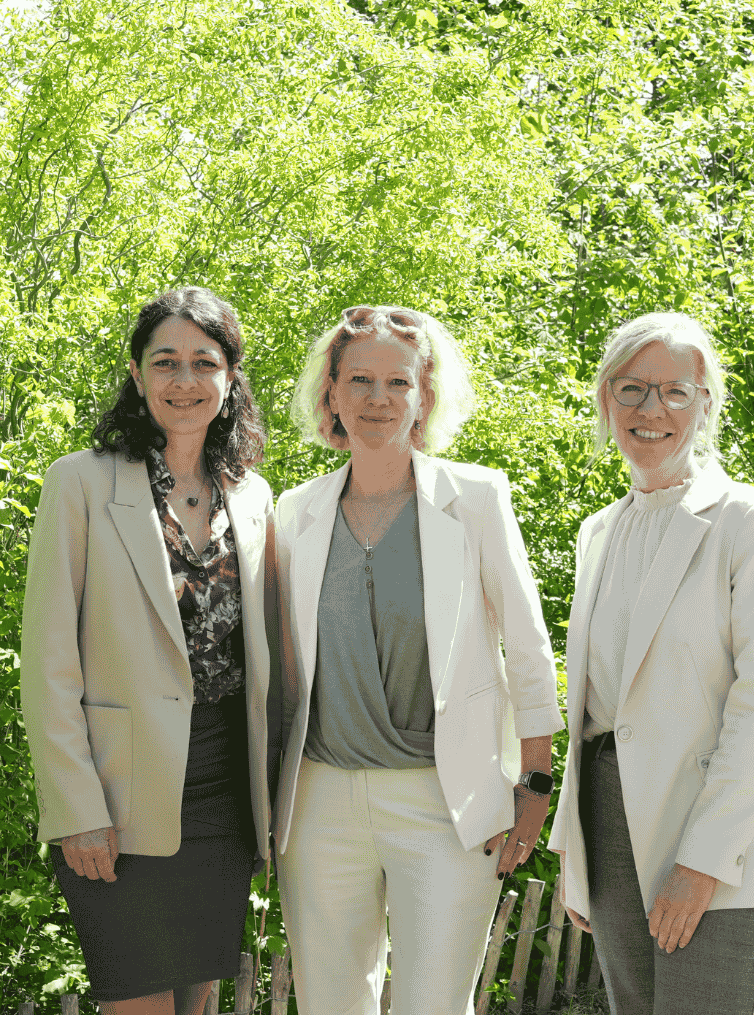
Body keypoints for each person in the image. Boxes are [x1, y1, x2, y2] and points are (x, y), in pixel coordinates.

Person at [269, 305, 562, 1015]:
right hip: (319, 805)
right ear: (330, 393)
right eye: (359, 380)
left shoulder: (477, 499)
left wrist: (534, 784)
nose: (377, 399)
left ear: (424, 395)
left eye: (397, 382)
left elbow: (528, 648)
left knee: (435, 1005)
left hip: (446, 799)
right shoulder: (292, 512)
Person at [20, 287, 276, 1015]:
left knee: (196, 1002)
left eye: (204, 362)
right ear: (136, 375)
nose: (184, 381)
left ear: (230, 378)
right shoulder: (81, 482)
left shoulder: (251, 495)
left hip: (225, 793)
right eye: (165, 362)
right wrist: (75, 807)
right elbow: (47, 662)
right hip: (118, 798)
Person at [546, 312, 754, 1015]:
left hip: (714, 832)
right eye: (631, 389)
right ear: (605, 399)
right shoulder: (597, 533)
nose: (651, 409)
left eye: (675, 391)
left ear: (705, 404)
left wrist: (702, 862)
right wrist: (575, 841)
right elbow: (595, 708)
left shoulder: (750, 521)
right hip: (609, 823)